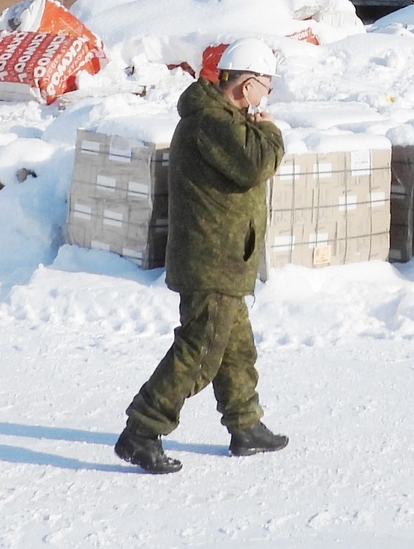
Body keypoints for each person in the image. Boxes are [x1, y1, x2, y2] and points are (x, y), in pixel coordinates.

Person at [115, 38, 289, 474]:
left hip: (226, 256)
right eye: (266, 85)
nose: (268, 94)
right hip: (213, 258)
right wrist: (269, 129)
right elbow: (256, 163)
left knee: (235, 349)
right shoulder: (211, 121)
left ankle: (245, 425)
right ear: (247, 84)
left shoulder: (223, 117)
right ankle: (142, 429)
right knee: (200, 350)